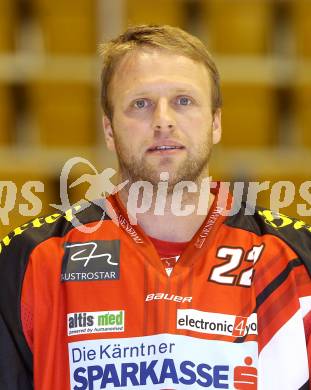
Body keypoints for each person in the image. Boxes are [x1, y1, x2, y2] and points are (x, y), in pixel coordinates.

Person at [0, 24, 310, 390]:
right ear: (110, 130)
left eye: (183, 100)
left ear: (215, 123)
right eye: (140, 103)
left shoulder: (294, 259)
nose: (163, 120)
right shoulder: (32, 260)